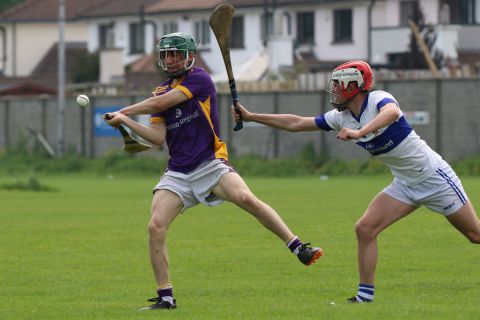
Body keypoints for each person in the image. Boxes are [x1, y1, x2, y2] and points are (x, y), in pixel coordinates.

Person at [103, 32, 323, 310]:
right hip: (179, 173)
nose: (170, 60)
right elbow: (158, 139)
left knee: (247, 200)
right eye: (166, 54)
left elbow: (161, 105)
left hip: (210, 162)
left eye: (176, 54)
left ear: (189, 56)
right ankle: (165, 297)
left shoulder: (199, 79)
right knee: (155, 227)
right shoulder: (158, 91)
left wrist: (123, 111)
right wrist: (127, 122)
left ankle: (298, 246)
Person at [232, 60, 480, 303]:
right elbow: (297, 123)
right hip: (405, 183)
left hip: (434, 178)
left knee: (474, 234)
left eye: (339, 85)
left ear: (354, 85)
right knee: (365, 228)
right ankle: (365, 297)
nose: (335, 90)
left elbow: (392, 112)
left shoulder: (378, 99)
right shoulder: (342, 117)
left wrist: (361, 132)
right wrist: (253, 116)